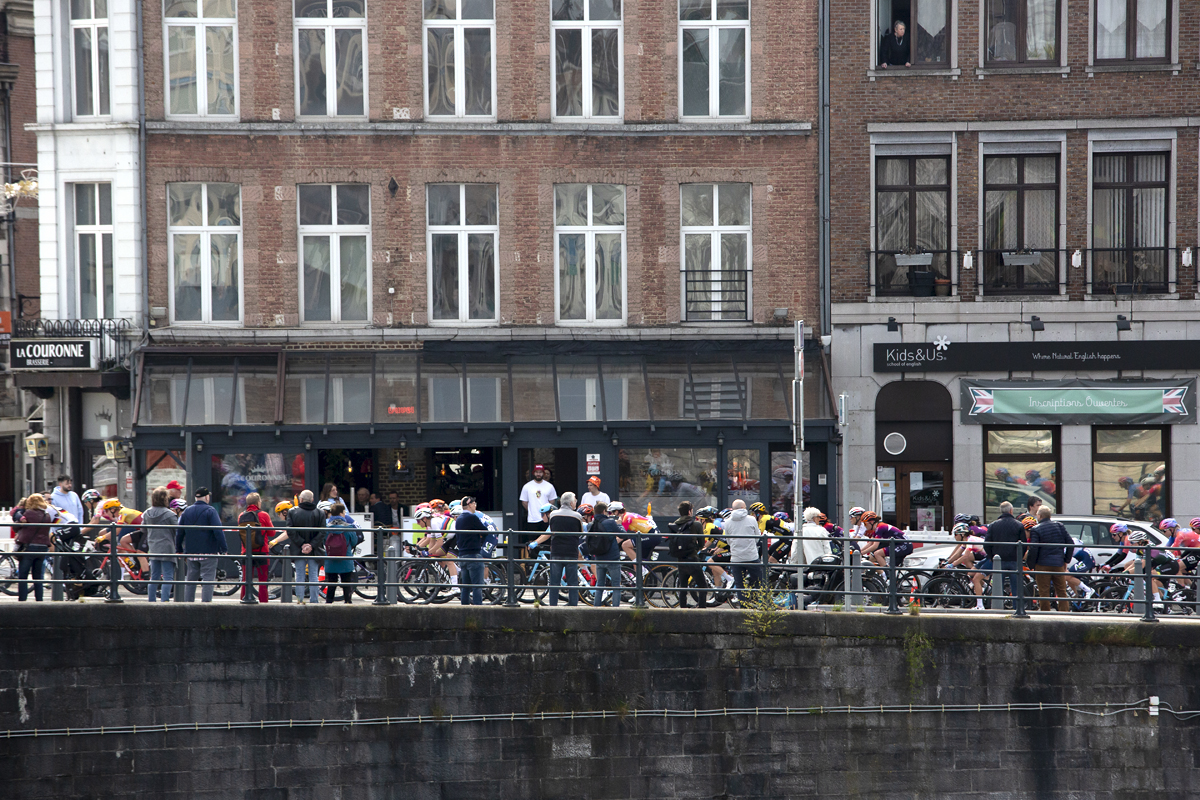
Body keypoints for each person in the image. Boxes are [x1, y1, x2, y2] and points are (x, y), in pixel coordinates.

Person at [175, 488, 227, 603]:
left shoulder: (187, 511)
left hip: (191, 552)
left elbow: (180, 532)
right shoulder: (210, 510)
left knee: (190, 581)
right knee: (208, 580)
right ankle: (206, 607)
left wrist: (179, 549)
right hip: (208, 551)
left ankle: (188, 606)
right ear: (207, 497)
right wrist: (224, 548)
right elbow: (218, 531)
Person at [532, 491, 583, 606]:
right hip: (571, 551)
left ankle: (553, 605)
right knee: (572, 582)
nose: (576, 502)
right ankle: (573, 605)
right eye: (575, 500)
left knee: (554, 581)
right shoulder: (577, 516)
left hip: (556, 551)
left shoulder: (554, 515)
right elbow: (580, 532)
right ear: (570, 503)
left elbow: (552, 528)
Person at [1027, 506, 1072, 612]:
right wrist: (1066, 560)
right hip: (1058, 563)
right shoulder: (1059, 526)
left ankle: (1046, 615)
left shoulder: (1036, 529)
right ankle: (1064, 613)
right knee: (1061, 591)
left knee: (1044, 592)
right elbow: (1070, 543)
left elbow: (1034, 548)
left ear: (1040, 516)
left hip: (1042, 564)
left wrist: (1031, 565)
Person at [984, 501, 1027, 612]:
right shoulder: (1018, 525)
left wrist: (992, 557)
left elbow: (987, 544)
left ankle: (997, 609)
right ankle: (1018, 609)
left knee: (998, 586)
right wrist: (1019, 556)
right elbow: (1024, 544)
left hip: (999, 560)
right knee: (1016, 587)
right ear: (1011, 511)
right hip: (1014, 559)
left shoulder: (993, 525)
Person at [286, 489, 326, 604]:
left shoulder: (292, 512)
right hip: (315, 549)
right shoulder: (320, 513)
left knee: (300, 575)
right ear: (312, 500)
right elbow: (322, 532)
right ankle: (314, 600)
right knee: (314, 575)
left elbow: (290, 531)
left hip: (298, 548)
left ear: (301, 499)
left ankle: (300, 600)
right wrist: (311, 545)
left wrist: (302, 544)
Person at [143, 486, 179, 603]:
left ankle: (151, 601)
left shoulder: (147, 513)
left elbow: (143, 529)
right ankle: (165, 601)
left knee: (154, 577)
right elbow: (177, 531)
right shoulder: (170, 515)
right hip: (167, 547)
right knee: (168, 577)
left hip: (153, 547)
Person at [14, 493, 53, 601]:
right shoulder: (47, 515)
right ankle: (39, 599)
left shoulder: (28, 514)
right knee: (38, 576)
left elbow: (15, 527)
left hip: (29, 547)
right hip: (42, 548)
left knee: (23, 575)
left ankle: (22, 599)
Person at [669, 502, 707, 609]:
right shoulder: (696, 524)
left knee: (683, 587)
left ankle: (683, 609)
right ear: (690, 511)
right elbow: (701, 543)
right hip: (692, 559)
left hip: (680, 559)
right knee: (702, 586)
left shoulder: (675, 525)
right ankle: (702, 609)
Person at [239, 492, 275, 603]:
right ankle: (263, 604)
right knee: (263, 581)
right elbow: (272, 533)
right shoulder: (263, 515)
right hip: (262, 551)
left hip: (246, 551)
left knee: (246, 580)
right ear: (258, 502)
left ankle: (243, 602)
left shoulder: (241, 516)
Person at [724, 499, 763, 600]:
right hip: (751, 556)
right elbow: (757, 536)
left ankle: (743, 608)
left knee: (740, 585)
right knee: (759, 582)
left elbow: (728, 541)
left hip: (736, 558)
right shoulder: (751, 519)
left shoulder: (727, 522)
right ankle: (763, 604)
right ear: (742, 508)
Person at [453, 496, 487, 606]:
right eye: (474, 503)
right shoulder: (473, 517)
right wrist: (481, 539)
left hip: (462, 555)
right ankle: (478, 609)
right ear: (470, 504)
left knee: (465, 587)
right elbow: (485, 531)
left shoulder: (459, 519)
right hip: (474, 554)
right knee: (477, 586)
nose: (476, 505)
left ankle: (465, 609)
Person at [323, 503, 359, 604]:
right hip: (345, 558)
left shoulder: (326, 528)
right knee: (346, 583)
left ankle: (328, 604)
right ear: (341, 513)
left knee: (331, 583)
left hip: (330, 559)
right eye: (344, 512)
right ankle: (347, 603)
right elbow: (354, 541)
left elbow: (323, 542)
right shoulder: (349, 527)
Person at [589, 501, 623, 607]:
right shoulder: (610, 523)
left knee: (600, 585)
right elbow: (623, 534)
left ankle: (596, 608)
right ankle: (615, 610)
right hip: (612, 558)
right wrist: (619, 525)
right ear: (604, 511)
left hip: (599, 557)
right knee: (616, 585)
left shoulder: (592, 524)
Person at [519, 465, 558, 532]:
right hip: (532, 519)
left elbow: (552, 501)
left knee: (545, 540)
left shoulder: (549, 486)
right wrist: (532, 510)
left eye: (540, 472)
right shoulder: (527, 486)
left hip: (545, 519)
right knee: (532, 540)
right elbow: (524, 502)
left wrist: (547, 512)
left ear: (543, 473)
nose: (538, 474)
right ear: (533, 473)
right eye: (536, 472)